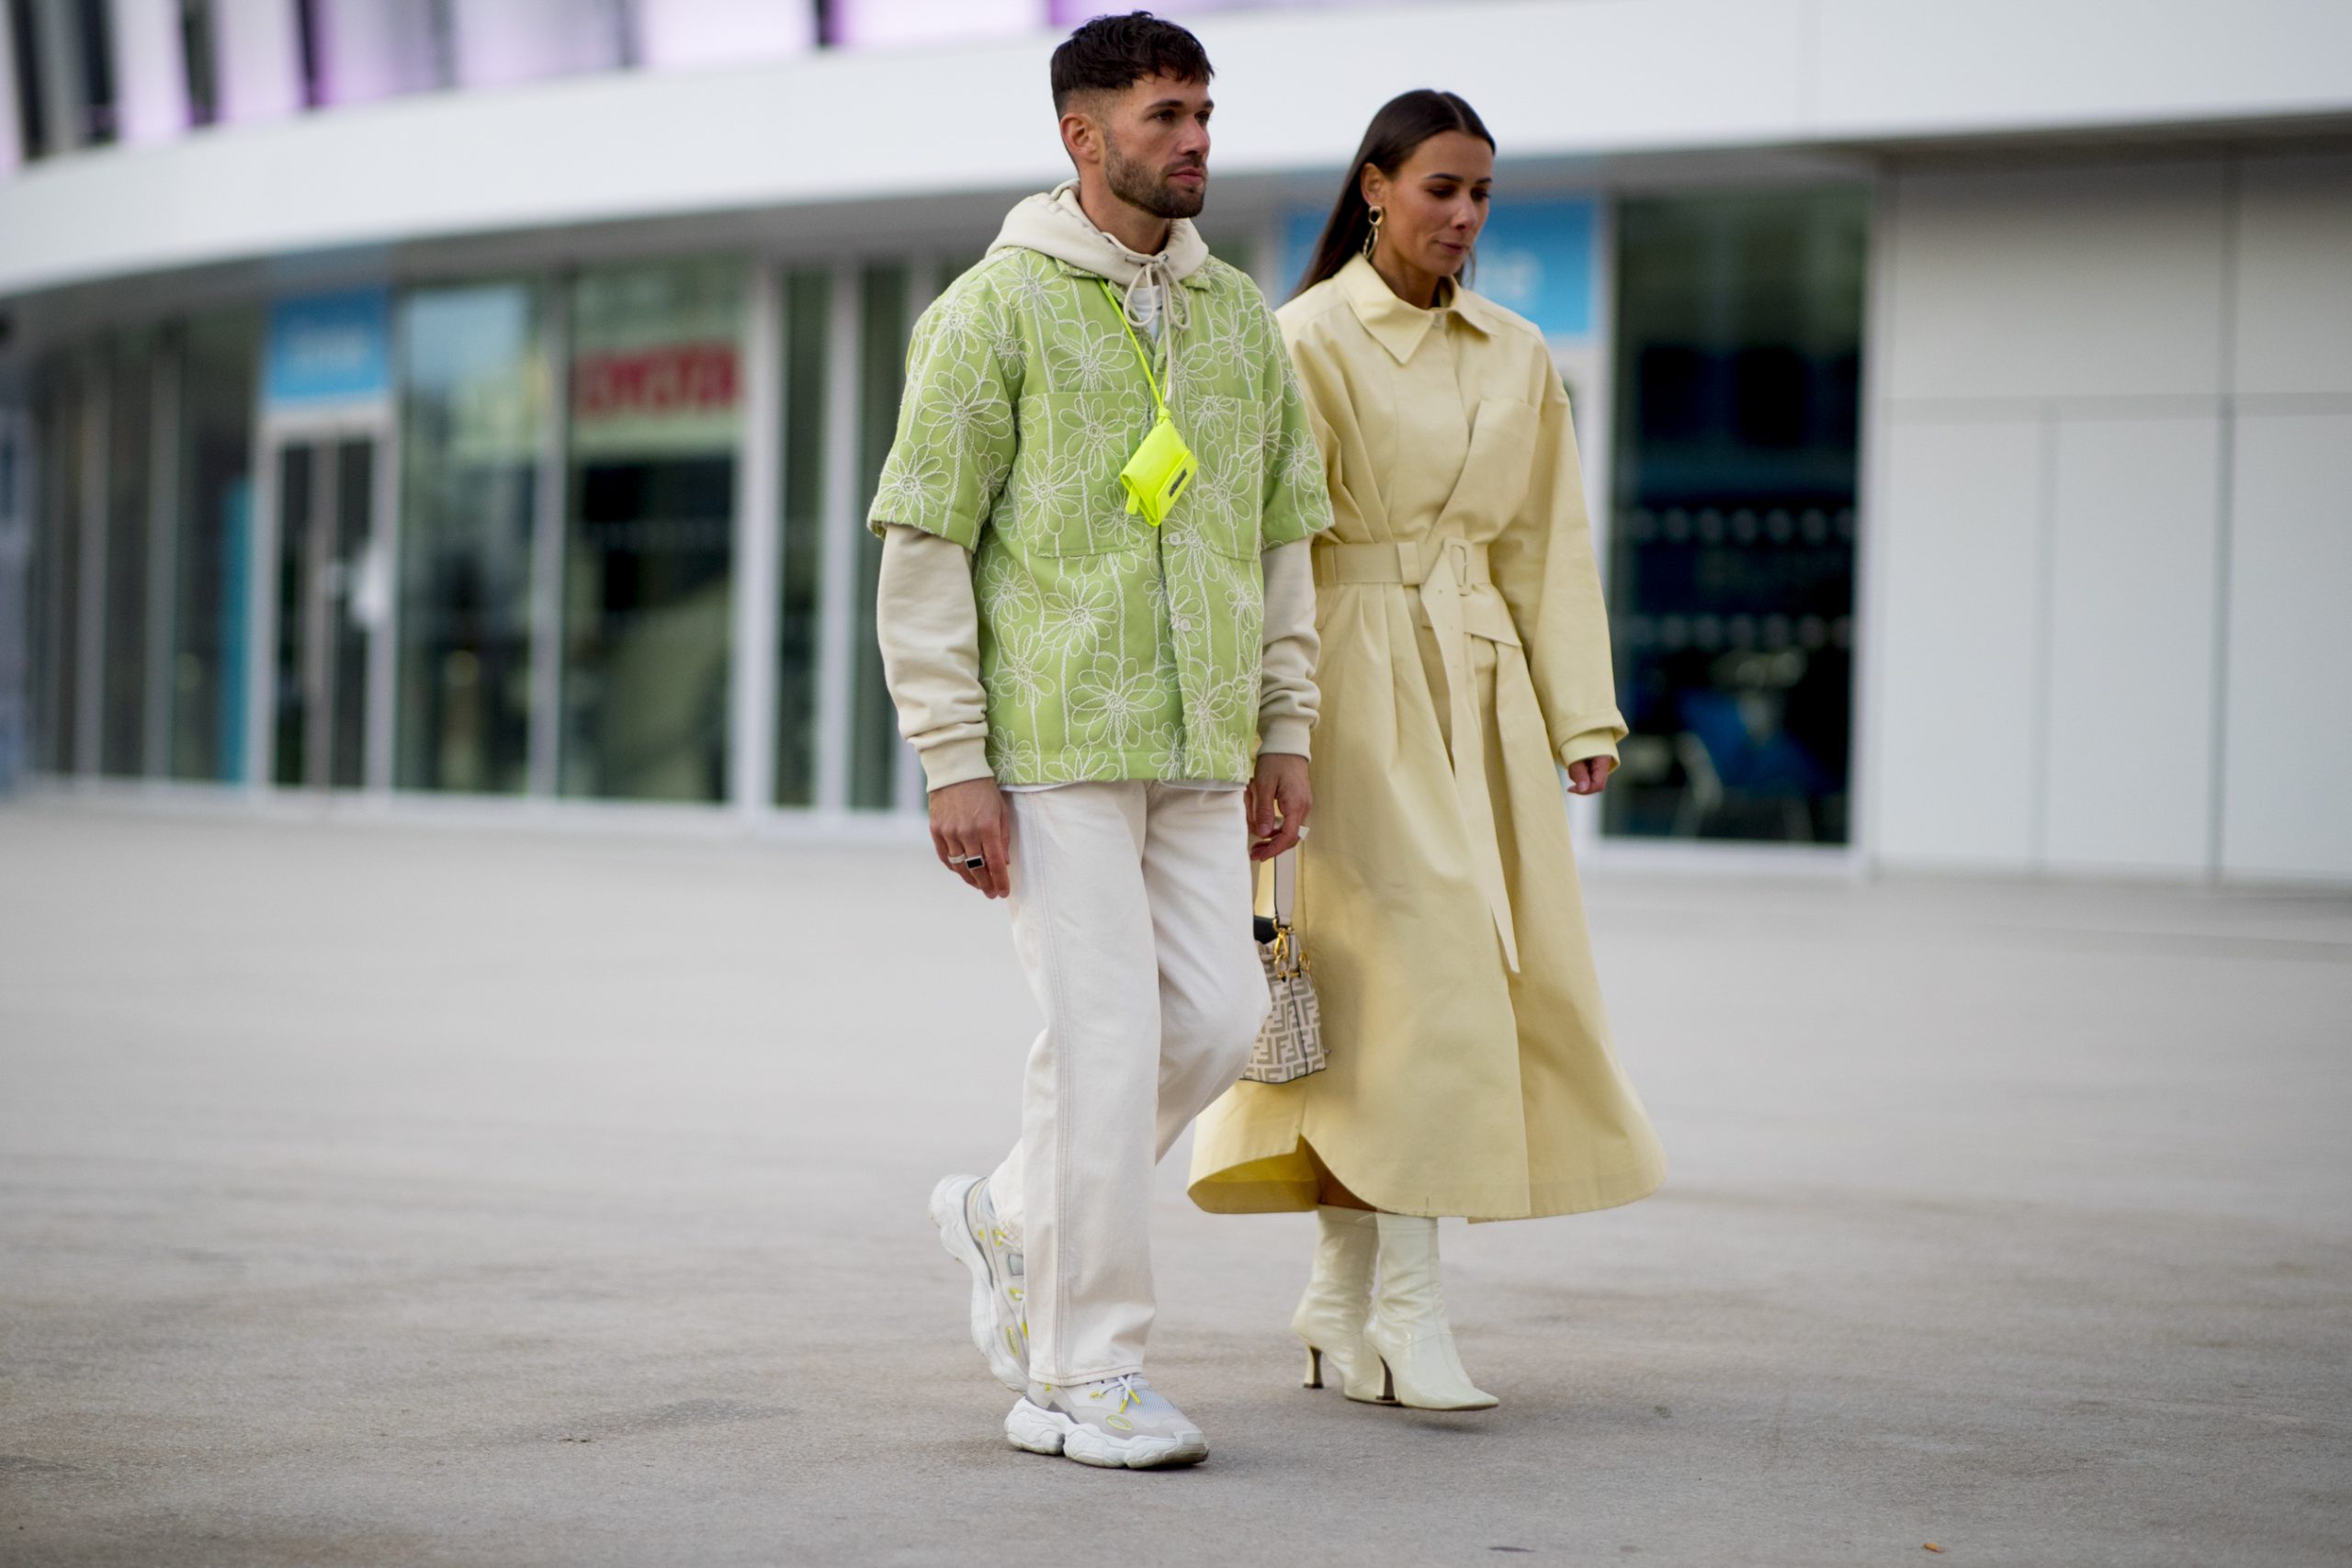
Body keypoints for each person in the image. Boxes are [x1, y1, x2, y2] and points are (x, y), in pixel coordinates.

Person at [870, 13, 1331, 1469]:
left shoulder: (1240, 318)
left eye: (1205, 111)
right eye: (1164, 115)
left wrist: (1284, 727)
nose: (1195, 138)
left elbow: (1280, 543)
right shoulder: (989, 312)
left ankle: (1013, 1214)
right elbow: (925, 544)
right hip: (1053, 745)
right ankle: (1079, 1375)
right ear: (1083, 135)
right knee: (1108, 1039)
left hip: (1201, 747)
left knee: (1208, 1023)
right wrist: (951, 756)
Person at [1187, 89, 1667, 1411]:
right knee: (1423, 988)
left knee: (1410, 1005)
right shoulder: (1302, 340)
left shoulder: (1519, 355)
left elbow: (1545, 543)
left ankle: (1339, 1302)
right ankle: (1409, 1305)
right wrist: (1258, 733)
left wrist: (1581, 710)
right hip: (1344, 690)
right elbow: (1264, 549)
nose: (1464, 216)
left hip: (1483, 693)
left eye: (1483, 195)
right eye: (1442, 188)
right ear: (1378, 187)